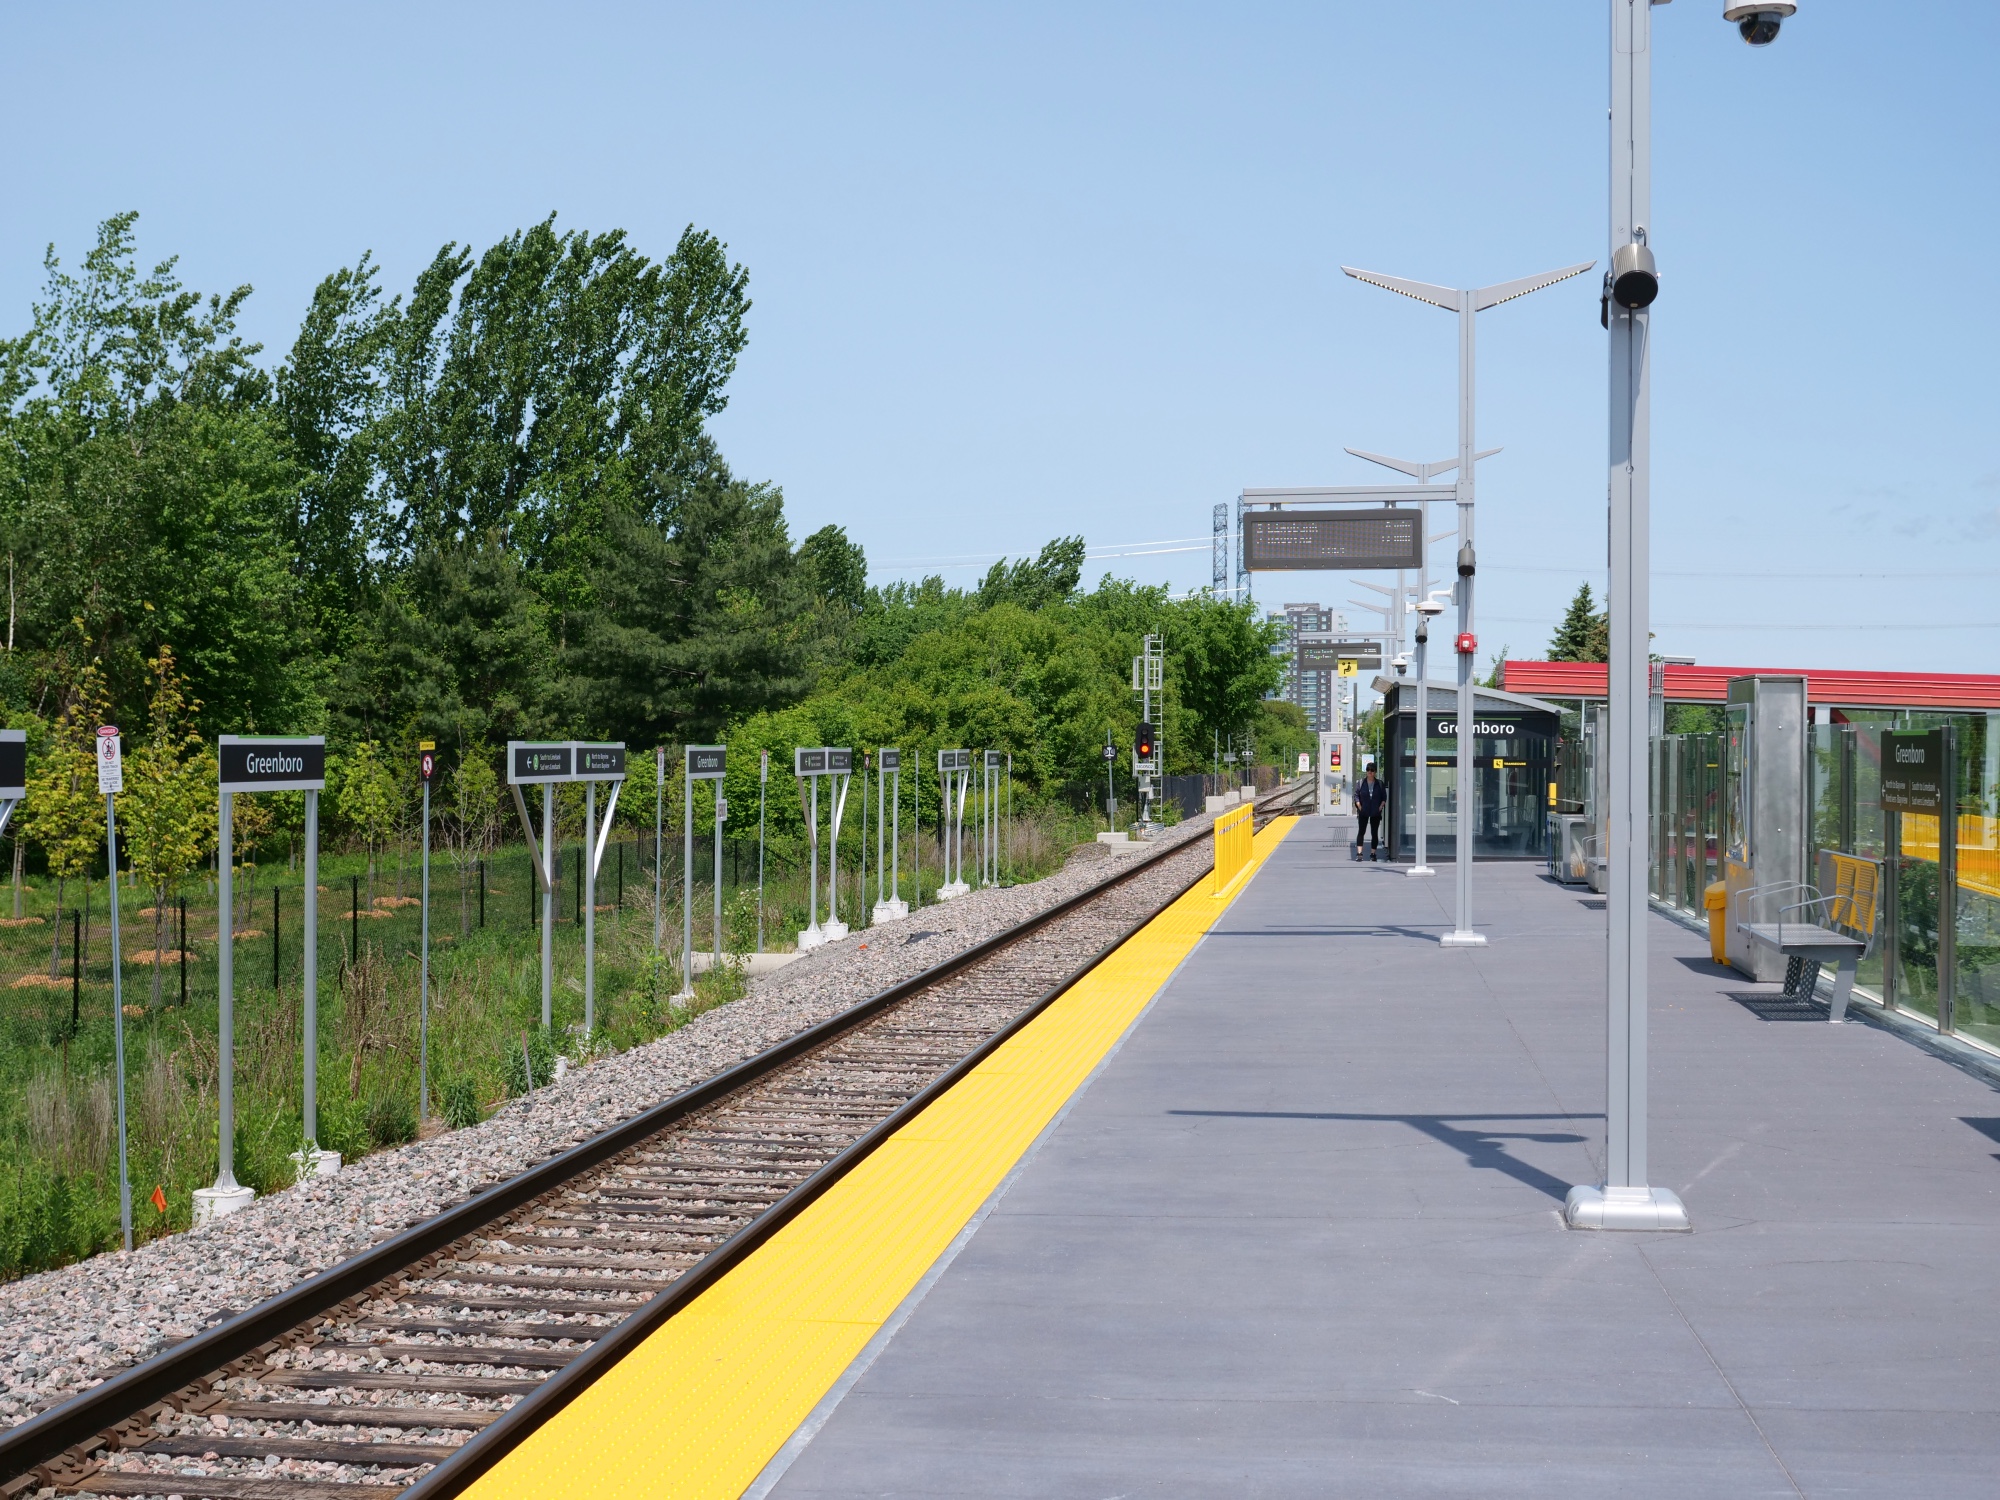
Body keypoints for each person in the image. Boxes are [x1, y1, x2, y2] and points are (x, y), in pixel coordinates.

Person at [1354, 761, 1386, 861]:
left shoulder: (1379, 784)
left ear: (1375, 772)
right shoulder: (1361, 783)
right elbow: (1356, 795)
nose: (1370, 772)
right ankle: (1359, 853)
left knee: (1374, 832)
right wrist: (1359, 806)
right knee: (1361, 831)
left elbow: (1384, 797)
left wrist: (1380, 807)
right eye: (1368, 770)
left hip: (1375, 812)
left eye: (1372, 770)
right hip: (1363, 811)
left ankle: (1373, 854)